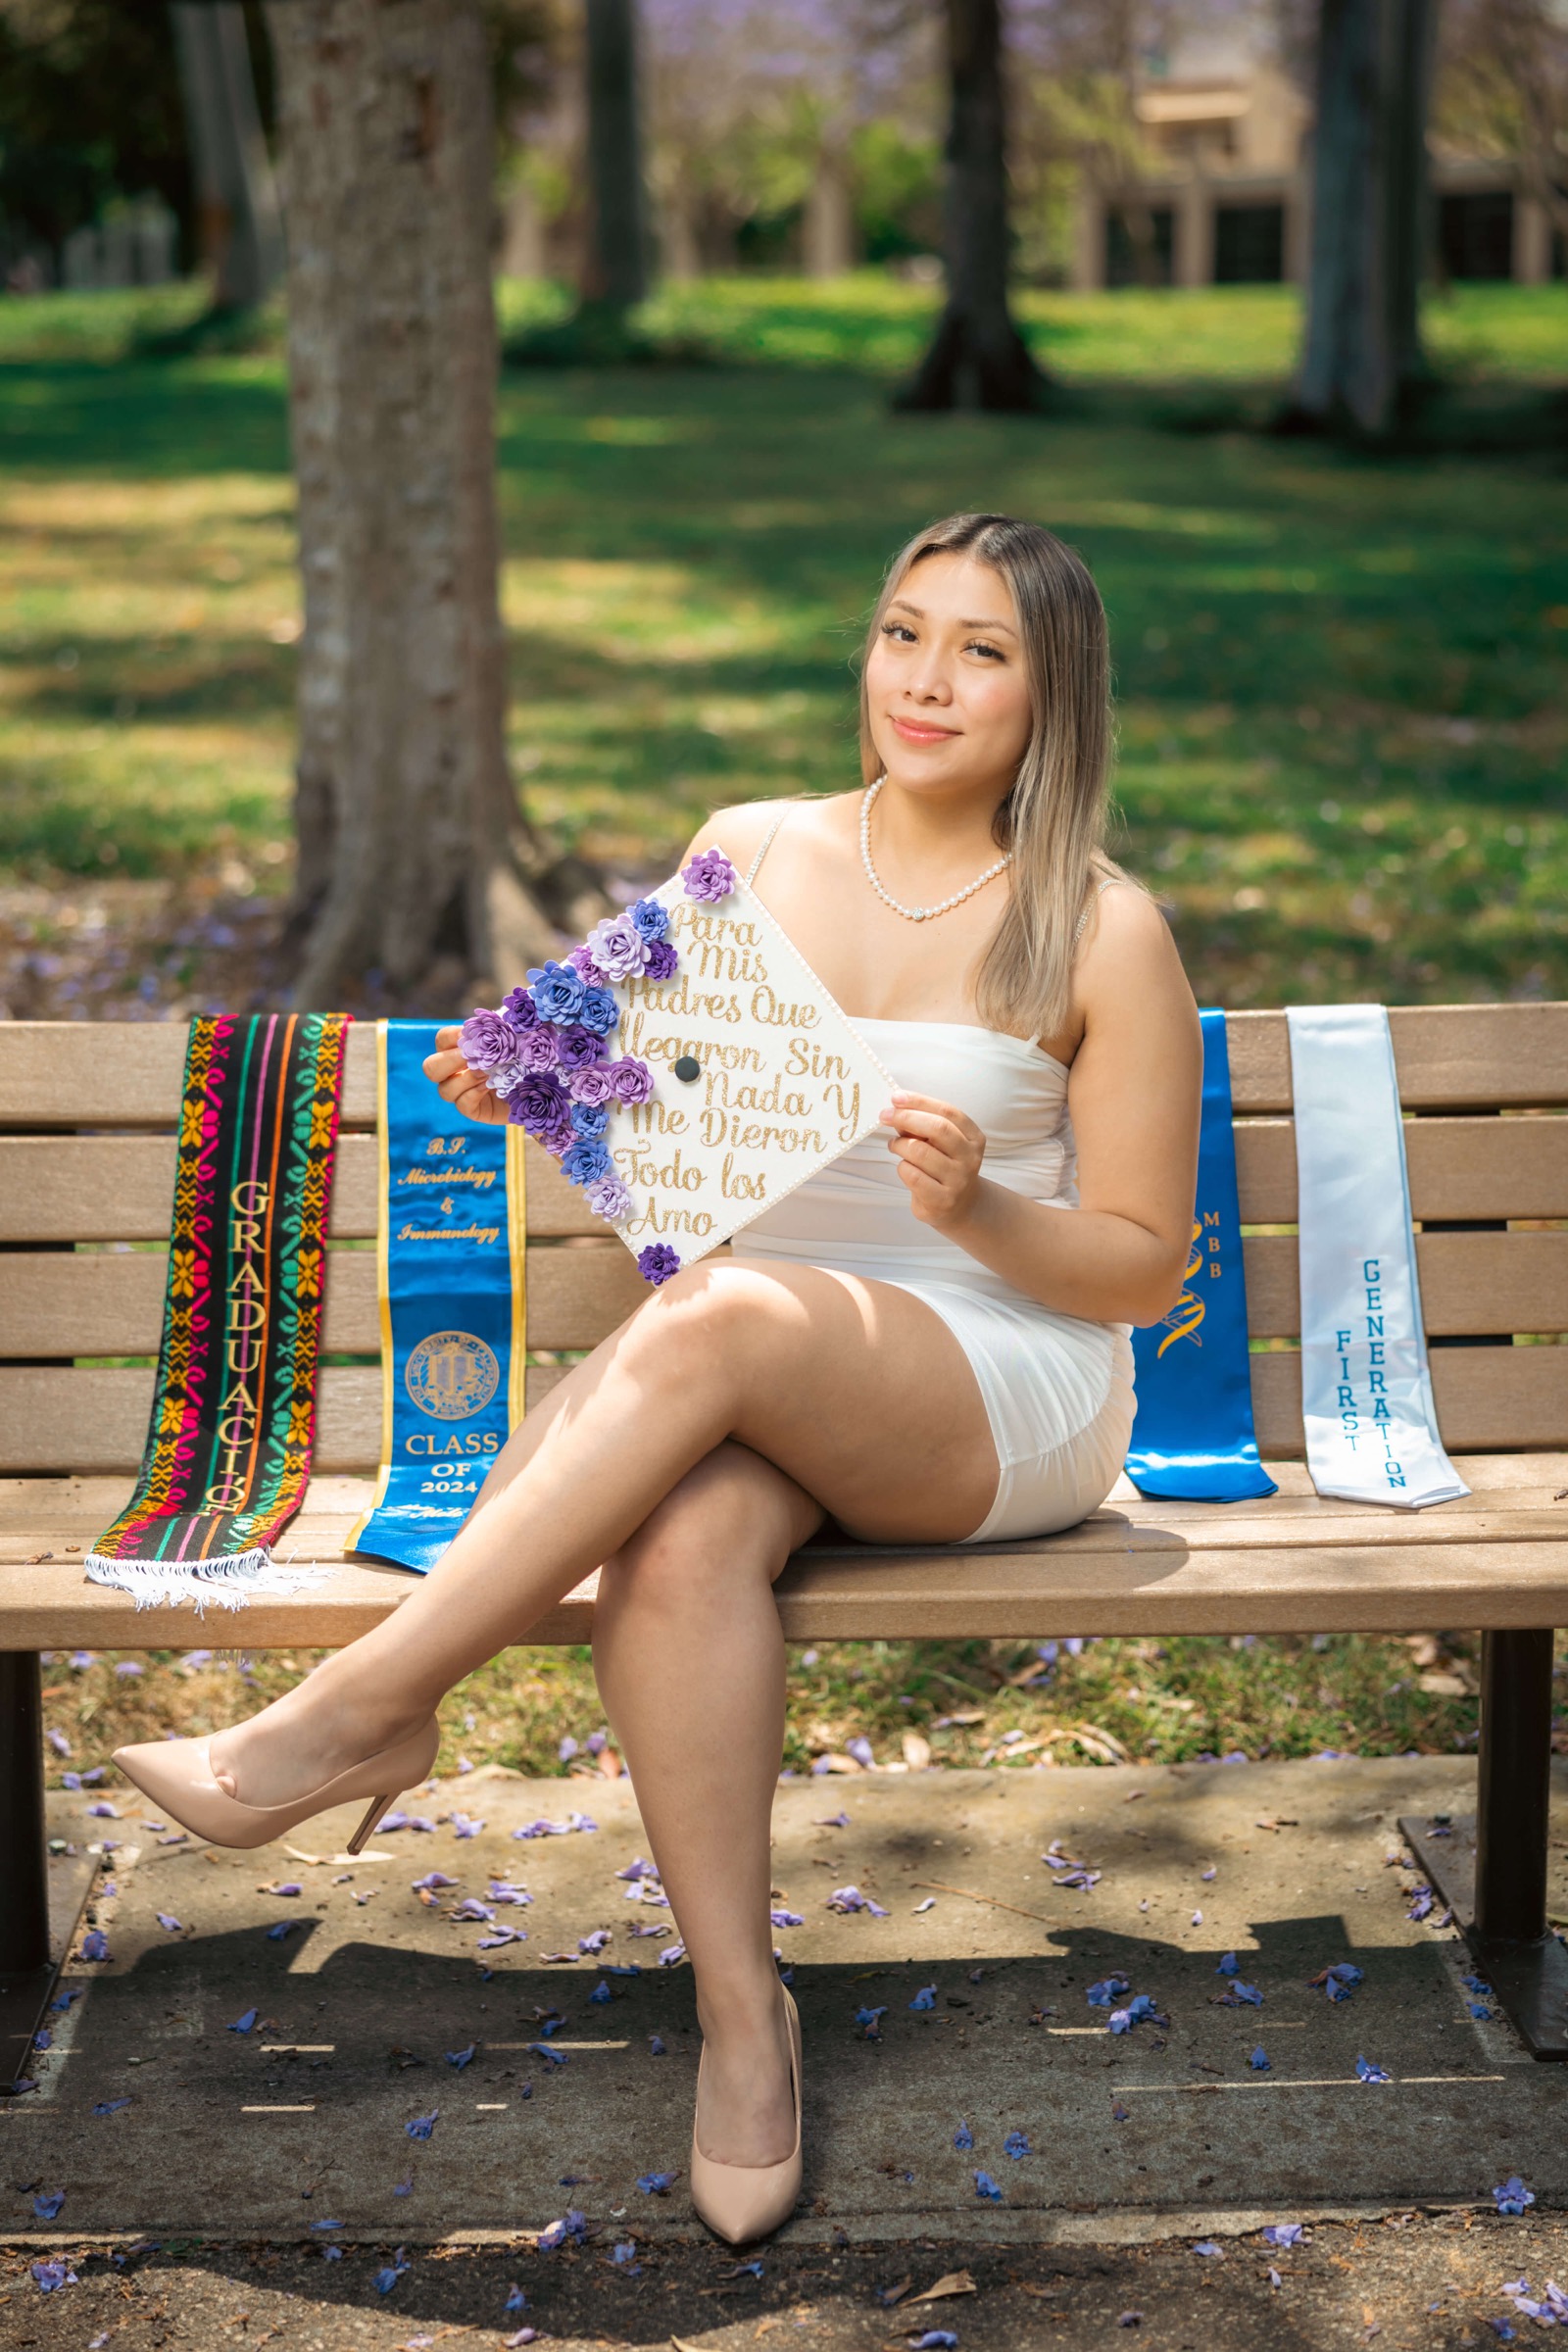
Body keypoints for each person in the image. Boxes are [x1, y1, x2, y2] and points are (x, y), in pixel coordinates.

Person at [115, 511, 1201, 2243]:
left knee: (721, 1320)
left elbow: (1143, 1263)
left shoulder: (1102, 928)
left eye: (981, 650)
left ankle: (361, 1709)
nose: (926, 681)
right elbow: (674, 1139)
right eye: (902, 632)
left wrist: (978, 1200)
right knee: (687, 1533)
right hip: (774, 1361)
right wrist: (539, 1081)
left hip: (1004, 1384)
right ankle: (741, 2021)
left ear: (1051, 689)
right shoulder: (751, 852)